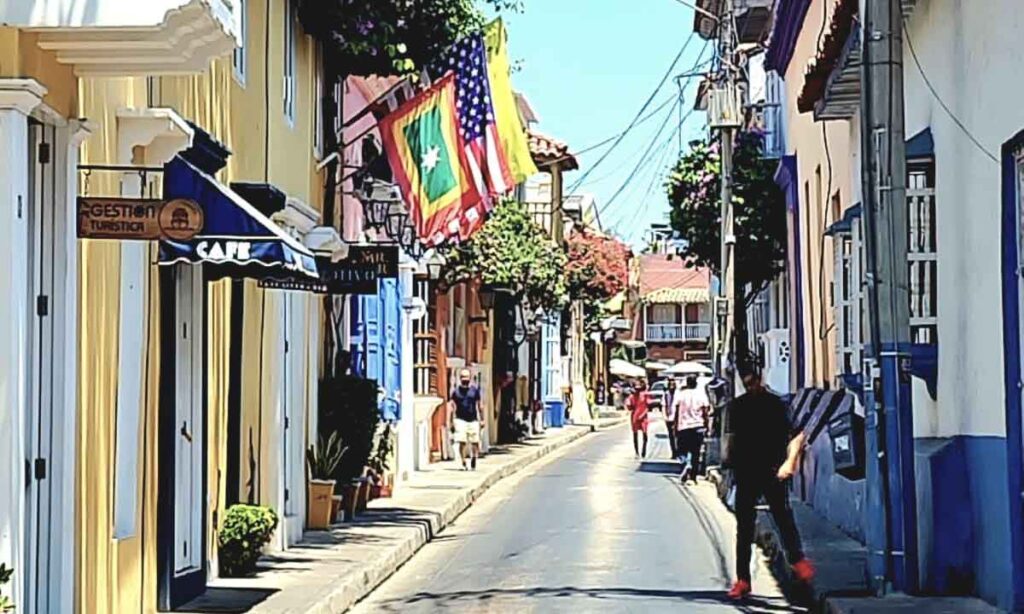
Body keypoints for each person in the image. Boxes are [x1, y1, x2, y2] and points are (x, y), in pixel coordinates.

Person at [727, 360, 815, 600]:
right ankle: (743, 580)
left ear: (761, 378)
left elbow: (797, 435)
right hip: (746, 473)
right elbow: (732, 440)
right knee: (744, 529)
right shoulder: (737, 406)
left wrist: (790, 462)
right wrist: (730, 468)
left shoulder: (776, 404)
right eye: (746, 381)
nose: (751, 385)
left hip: (773, 470)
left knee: (783, 518)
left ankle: (798, 562)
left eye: (753, 380)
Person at [448, 368, 484, 471]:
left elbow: (479, 405)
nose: (465, 379)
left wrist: (482, 419)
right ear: (460, 378)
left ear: (470, 378)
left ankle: (474, 457)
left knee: (475, 442)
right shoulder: (456, 392)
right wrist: (451, 422)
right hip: (460, 419)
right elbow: (452, 407)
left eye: (467, 377)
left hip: (473, 419)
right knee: (462, 442)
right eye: (463, 377)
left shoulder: (474, 391)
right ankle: (463, 461)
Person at [676, 375, 709, 483]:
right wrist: (707, 425)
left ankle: (686, 464)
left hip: (683, 426)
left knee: (682, 450)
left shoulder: (681, 394)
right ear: (696, 383)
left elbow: (677, 409)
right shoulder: (701, 394)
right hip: (698, 425)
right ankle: (693, 477)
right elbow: (705, 411)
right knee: (696, 452)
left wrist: (675, 425)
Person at [626, 379, 650, 458]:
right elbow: (629, 406)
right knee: (635, 434)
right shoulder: (632, 396)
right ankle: (636, 452)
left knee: (645, 434)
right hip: (635, 417)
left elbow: (647, 406)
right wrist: (628, 403)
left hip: (643, 417)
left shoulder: (645, 394)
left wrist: (643, 415)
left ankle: (644, 450)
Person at [664, 379, 680, 458]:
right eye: (670, 385)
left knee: (677, 436)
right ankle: (674, 452)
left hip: (677, 418)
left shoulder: (678, 394)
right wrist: (665, 416)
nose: (671, 387)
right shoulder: (666, 394)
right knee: (671, 437)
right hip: (669, 418)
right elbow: (664, 406)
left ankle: (678, 451)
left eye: (673, 385)